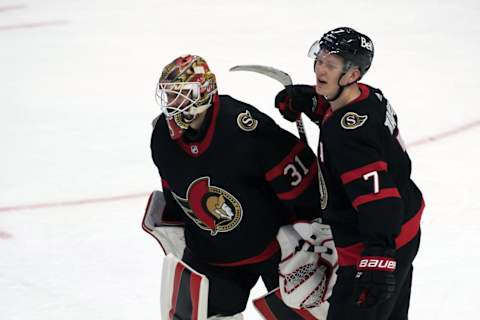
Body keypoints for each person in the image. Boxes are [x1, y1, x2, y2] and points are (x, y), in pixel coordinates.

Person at [149, 54, 322, 319]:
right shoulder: (162, 136)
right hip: (210, 255)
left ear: (204, 92)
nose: (173, 104)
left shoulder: (242, 126)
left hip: (275, 250)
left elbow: (300, 181)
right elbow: (173, 193)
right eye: (170, 95)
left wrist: (314, 227)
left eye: (182, 95)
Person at [274, 27, 425, 319]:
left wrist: (377, 258)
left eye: (331, 65)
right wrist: (312, 101)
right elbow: (351, 119)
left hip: (375, 244)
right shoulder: (371, 97)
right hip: (406, 228)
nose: (320, 68)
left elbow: (379, 200)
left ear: (352, 75)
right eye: (319, 60)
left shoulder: (347, 137)